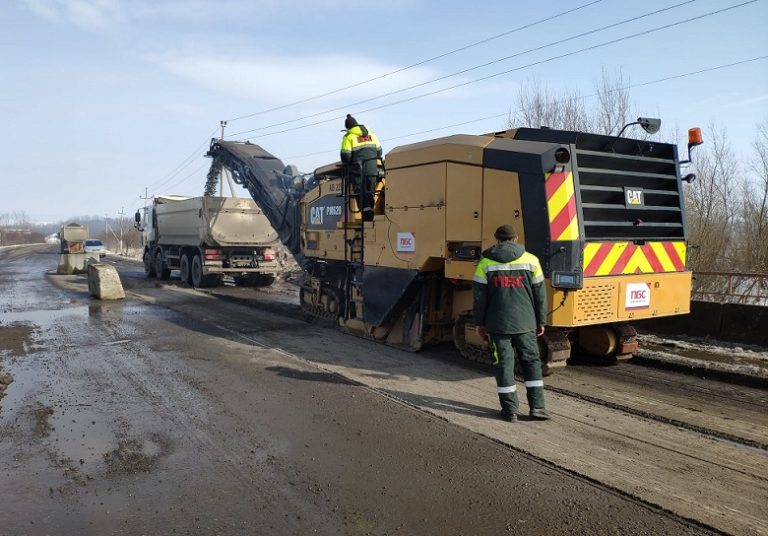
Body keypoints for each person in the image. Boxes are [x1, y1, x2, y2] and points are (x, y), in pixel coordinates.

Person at [472, 224, 550, 423]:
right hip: (526, 324)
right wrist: (541, 320)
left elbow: (479, 298)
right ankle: (538, 408)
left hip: (498, 325)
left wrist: (479, 323)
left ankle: (510, 411)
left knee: (504, 365)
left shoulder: (485, 263)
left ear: (497, 240)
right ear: (515, 239)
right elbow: (540, 295)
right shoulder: (531, 260)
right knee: (531, 362)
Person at [340, 114, 382, 220]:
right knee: (370, 192)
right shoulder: (372, 134)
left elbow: (346, 156)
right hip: (372, 171)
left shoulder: (348, 137)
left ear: (348, 127)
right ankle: (371, 214)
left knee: (361, 194)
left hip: (358, 172)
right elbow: (379, 152)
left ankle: (366, 218)